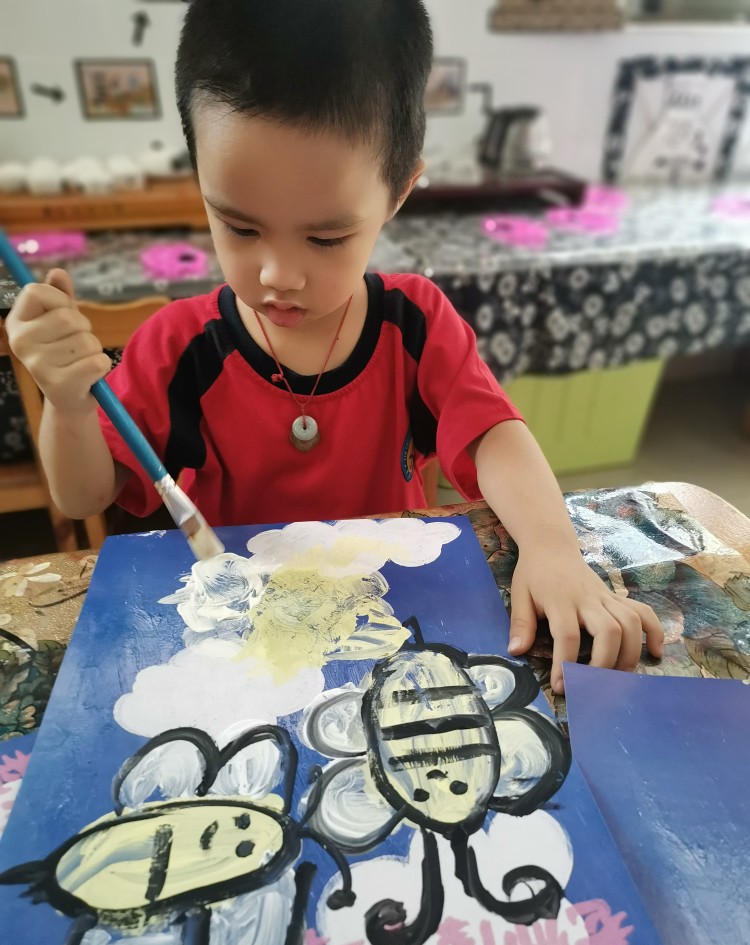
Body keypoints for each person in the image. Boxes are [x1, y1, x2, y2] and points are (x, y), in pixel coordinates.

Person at [6, 0, 663, 692]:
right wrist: (68, 404)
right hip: (241, 642)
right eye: (239, 227)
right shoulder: (178, 346)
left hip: (390, 625)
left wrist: (554, 550)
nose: (278, 275)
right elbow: (84, 495)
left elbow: (495, 435)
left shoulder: (415, 323)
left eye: (326, 238)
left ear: (398, 193)